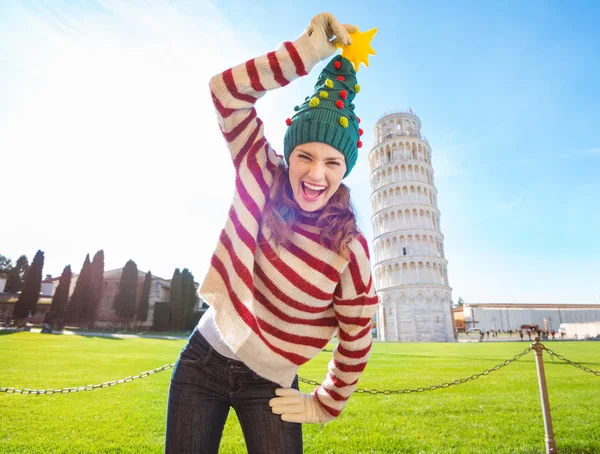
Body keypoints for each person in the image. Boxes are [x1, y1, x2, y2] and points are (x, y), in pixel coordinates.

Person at [165, 12, 378, 454]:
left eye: (332, 162)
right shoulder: (259, 171)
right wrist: (308, 50)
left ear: (346, 169)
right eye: (304, 155)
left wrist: (325, 402)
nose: (316, 174)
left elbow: (357, 334)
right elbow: (225, 92)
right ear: (289, 152)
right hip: (201, 360)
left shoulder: (349, 248)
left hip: (272, 384)